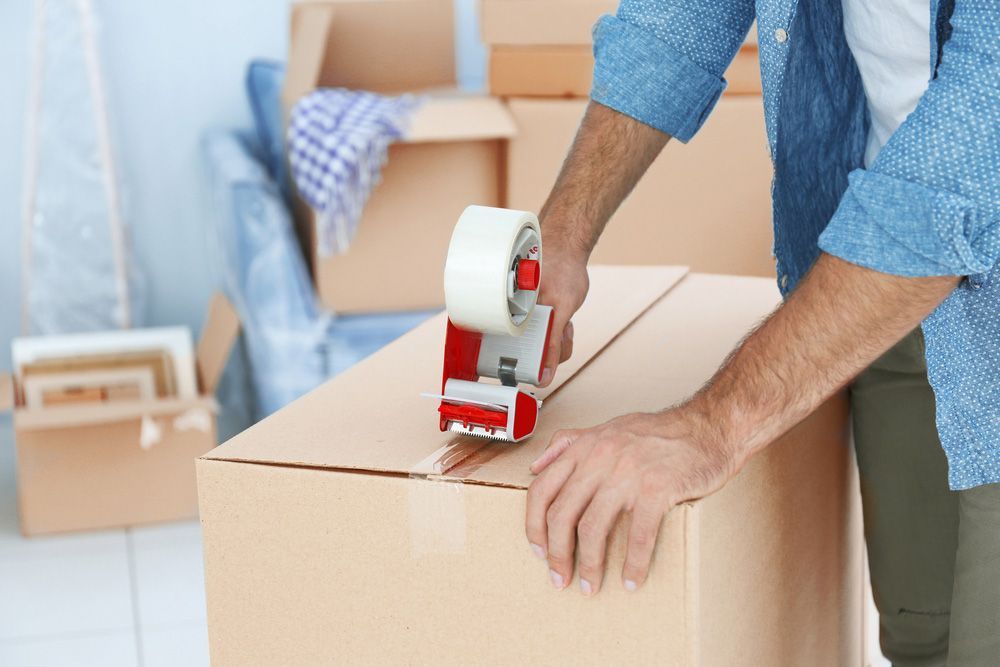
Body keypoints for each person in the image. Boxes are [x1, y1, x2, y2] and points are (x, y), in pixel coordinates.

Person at [522, 1, 1000, 664]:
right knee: (924, 631)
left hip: (955, 243)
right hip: (881, 287)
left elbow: (957, 183)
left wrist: (712, 425)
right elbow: (683, 14)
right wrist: (561, 233)